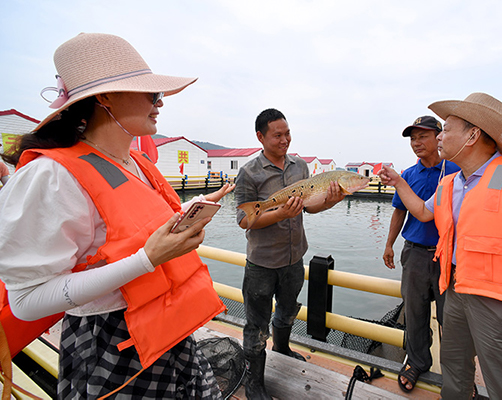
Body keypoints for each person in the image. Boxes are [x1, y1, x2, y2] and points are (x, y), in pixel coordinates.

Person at [0, 33, 234, 399]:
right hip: (109, 344)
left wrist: (195, 211)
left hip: (169, 332)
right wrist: (146, 260)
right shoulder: (51, 177)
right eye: (148, 91)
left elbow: (133, 224)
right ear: (104, 98)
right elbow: (26, 302)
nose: (159, 102)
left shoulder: (136, 163)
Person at [379, 92, 502, 399]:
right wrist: (398, 182)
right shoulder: (453, 183)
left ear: (472, 135)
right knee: (455, 368)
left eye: (446, 129)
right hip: (458, 291)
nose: (440, 136)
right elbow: (422, 212)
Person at [235, 108, 346, 399]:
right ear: (260, 137)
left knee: (287, 311)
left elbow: (309, 207)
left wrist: (331, 202)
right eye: (277, 135)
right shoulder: (249, 173)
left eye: (287, 133)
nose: (285, 140)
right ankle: (254, 383)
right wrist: (279, 212)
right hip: (261, 263)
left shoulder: (300, 167)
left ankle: (282, 348)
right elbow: (245, 220)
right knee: (256, 325)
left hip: (294, 259)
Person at [383, 116, 460, 392]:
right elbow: (399, 212)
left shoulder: (456, 171)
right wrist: (389, 244)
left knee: (451, 317)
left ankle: (458, 374)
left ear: (439, 137)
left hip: (447, 256)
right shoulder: (408, 175)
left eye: (423, 136)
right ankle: (417, 362)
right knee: (414, 313)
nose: (417, 143)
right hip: (414, 253)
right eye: (413, 138)